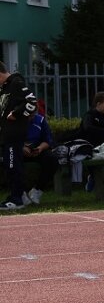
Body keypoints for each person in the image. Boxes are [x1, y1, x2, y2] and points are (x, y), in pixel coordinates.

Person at [0, 61, 37, 210]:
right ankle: (20, 195)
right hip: (6, 136)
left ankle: (16, 200)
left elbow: (32, 102)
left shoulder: (16, 82)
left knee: (13, 166)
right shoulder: (4, 88)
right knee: (10, 167)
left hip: (14, 135)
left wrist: (16, 113)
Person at [22, 112, 59, 205]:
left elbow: (48, 140)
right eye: (28, 115)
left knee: (52, 159)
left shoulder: (40, 120)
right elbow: (9, 140)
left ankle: (37, 190)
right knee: (12, 159)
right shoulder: (14, 120)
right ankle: (20, 192)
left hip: (36, 151)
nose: (30, 118)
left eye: (32, 115)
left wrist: (40, 148)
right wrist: (22, 147)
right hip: (19, 151)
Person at [78, 91, 104, 192]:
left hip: (103, 146)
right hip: (89, 146)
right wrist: (103, 132)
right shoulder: (89, 115)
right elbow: (87, 128)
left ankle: (97, 181)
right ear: (98, 104)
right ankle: (93, 178)